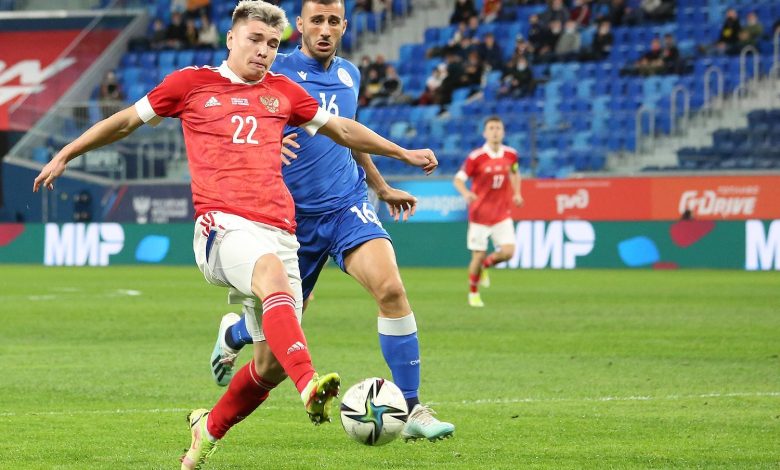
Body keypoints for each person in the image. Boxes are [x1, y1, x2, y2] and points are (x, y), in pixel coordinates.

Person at [31, 2, 438, 468]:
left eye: (272, 44)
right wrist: (66, 153)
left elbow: (342, 129)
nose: (263, 51)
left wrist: (402, 154)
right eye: (254, 40)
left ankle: (207, 430)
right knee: (271, 279)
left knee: (269, 366)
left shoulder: (283, 92)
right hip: (221, 227)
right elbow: (125, 120)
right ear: (231, 39)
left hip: (281, 231)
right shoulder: (189, 84)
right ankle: (309, 384)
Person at [209, 0, 455, 445]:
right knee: (277, 341)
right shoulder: (273, 67)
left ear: (344, 25)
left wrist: (380, 186)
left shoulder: (349, 75)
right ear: (300, 24)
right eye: (317, 21)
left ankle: (413, 407)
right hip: (288, 219)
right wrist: (265, 145)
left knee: (391, 288)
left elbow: (346, 133)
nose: (325, 29)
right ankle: (234, 332)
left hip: (345, 205)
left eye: (333, 21)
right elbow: (232, 115)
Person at [452, 116, 523, 308]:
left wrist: (517, 193)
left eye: (498, 128)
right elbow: (458, 179)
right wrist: (466, 193)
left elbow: (515, 172)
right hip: (479, 215)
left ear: (503, 132)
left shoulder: (511, 155)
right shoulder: (476, 157)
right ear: (485, 133)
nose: (495, 131)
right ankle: (473, 293)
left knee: (508, 252)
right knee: (478, 255)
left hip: (501, 214)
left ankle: (485, 266)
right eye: (491, 128)